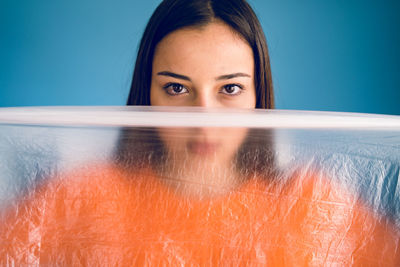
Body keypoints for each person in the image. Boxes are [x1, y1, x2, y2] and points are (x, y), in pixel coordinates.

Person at [1, 0, 399, 265]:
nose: (204, 118)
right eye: (177, 88)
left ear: (258, 93)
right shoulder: (79, 199)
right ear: (147, 92)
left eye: (230, 89)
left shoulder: (316, 206)